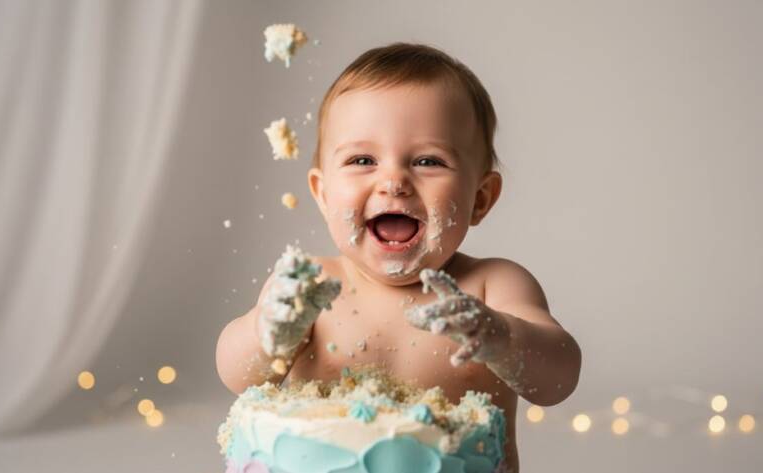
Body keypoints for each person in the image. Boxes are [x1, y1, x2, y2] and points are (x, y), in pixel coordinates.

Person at [216, 43, 582, 472]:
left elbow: (557, 379)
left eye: (428, 161)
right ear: (322, 192)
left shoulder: (491, 287)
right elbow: (238, 376)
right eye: (362, 160)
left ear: (480, 199)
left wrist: (499, 337)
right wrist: (268, 334)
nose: (393, 181)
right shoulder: (310, 286)